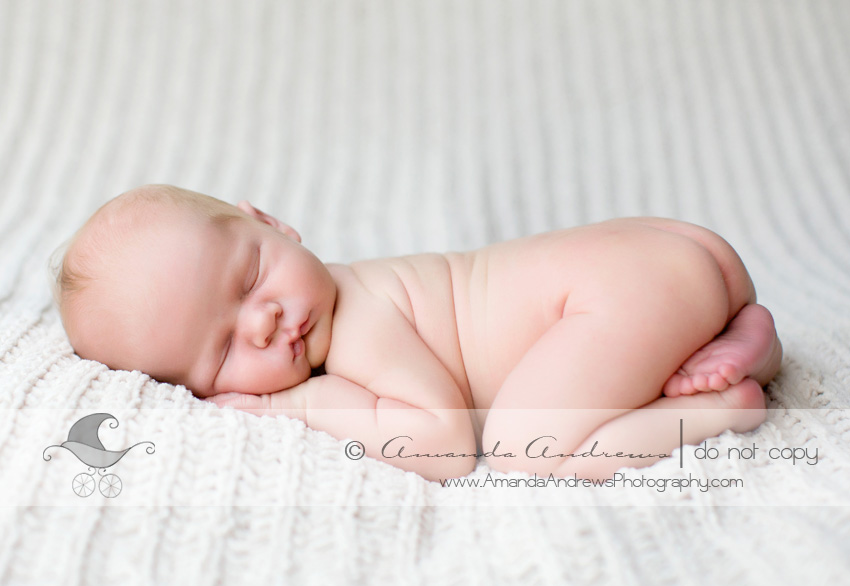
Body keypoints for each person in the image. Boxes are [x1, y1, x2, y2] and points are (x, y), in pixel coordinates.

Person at [53, 185, 782, 481]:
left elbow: (446, 443)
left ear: (271, 222)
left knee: (522, 449)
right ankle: (744, 329)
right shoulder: (352, 283)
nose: (266, 319)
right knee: (648, 319)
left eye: (250, 280)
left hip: (619, 292)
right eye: (225, 349)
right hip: (666, 254)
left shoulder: (358, 327)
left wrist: (293, 405)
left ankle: (720, 407)